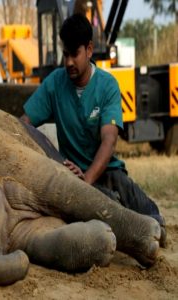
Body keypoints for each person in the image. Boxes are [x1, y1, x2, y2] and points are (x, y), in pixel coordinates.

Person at [21, 13, 166, 247]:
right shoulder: (54, 84)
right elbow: (24, 124)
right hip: (72, 178)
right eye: (65, 54)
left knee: (144, 208)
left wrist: (86, 179)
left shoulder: (107, 85)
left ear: (89, 50)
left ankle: (154, 222)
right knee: (110, 210)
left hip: (105, 171)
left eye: (74, 54)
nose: (68, 62)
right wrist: (54, 161)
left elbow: (109, 141)